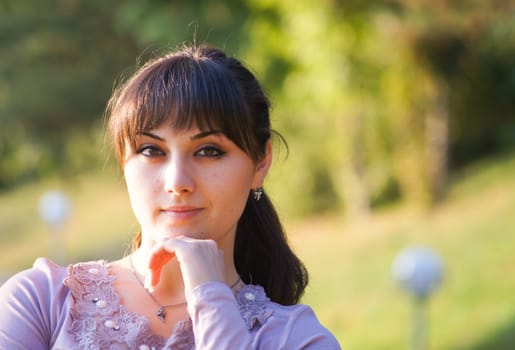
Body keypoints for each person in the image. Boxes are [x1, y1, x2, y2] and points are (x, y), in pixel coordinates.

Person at [0, 44, 341, 349]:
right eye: (151, 150)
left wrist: (211, 298)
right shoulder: (41, 301)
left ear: (260, 162)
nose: (177, 181)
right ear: (124, 162)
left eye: (209, 151)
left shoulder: (296, 339)